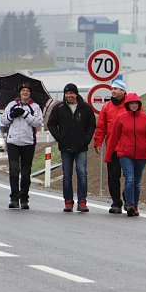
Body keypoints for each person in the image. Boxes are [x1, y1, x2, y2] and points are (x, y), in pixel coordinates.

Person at [104, 92, 146, 217]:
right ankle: (129, 204)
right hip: (124, 154)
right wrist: (108, 156)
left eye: (136, 103)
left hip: (141, 155)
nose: (133, 105)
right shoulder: (121, 118)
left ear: (139, 104)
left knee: (137, 182)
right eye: (131, 103)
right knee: (129, 178)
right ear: (127, 105)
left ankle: (135, 205)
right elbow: (113, 138)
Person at [47, 83, 96, 212]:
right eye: (66, 93)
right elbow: (51, 124)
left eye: (71, 93)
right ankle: (68, 201)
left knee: (82, 174)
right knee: (67, 175)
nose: (69, 95)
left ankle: (82, 202)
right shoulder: (59, 108)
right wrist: (59, 137)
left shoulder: (85, 108)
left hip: (81, 147)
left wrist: (86, 139)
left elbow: (92, 125)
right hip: (65, 147)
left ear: (76, 94)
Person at [0, 82, 43, 210]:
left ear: (30, 93)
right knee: (14, 170)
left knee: (25, 172)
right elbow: (3, 120)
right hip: (12, 142)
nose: (25, 93)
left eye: (27, 91)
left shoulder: (35, 107)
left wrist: (25, 114)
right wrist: (12, 115)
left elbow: (38, 123)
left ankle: (24, 199)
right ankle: (14, 198)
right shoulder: (12, 105)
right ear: (20, 92)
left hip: (28, 142)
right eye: (23, 90)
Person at [93, 79, 128, 214]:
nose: (113, 91)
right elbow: (101, 127)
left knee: (129, 176)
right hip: (112, 148)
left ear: (123, 91)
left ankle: (128, 199)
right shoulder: (107, 107)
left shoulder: (130, 105)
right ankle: (116, 203)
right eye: (112, 88)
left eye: (116, 89)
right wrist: (98, 142)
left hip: (127, 148)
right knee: (113, 176)